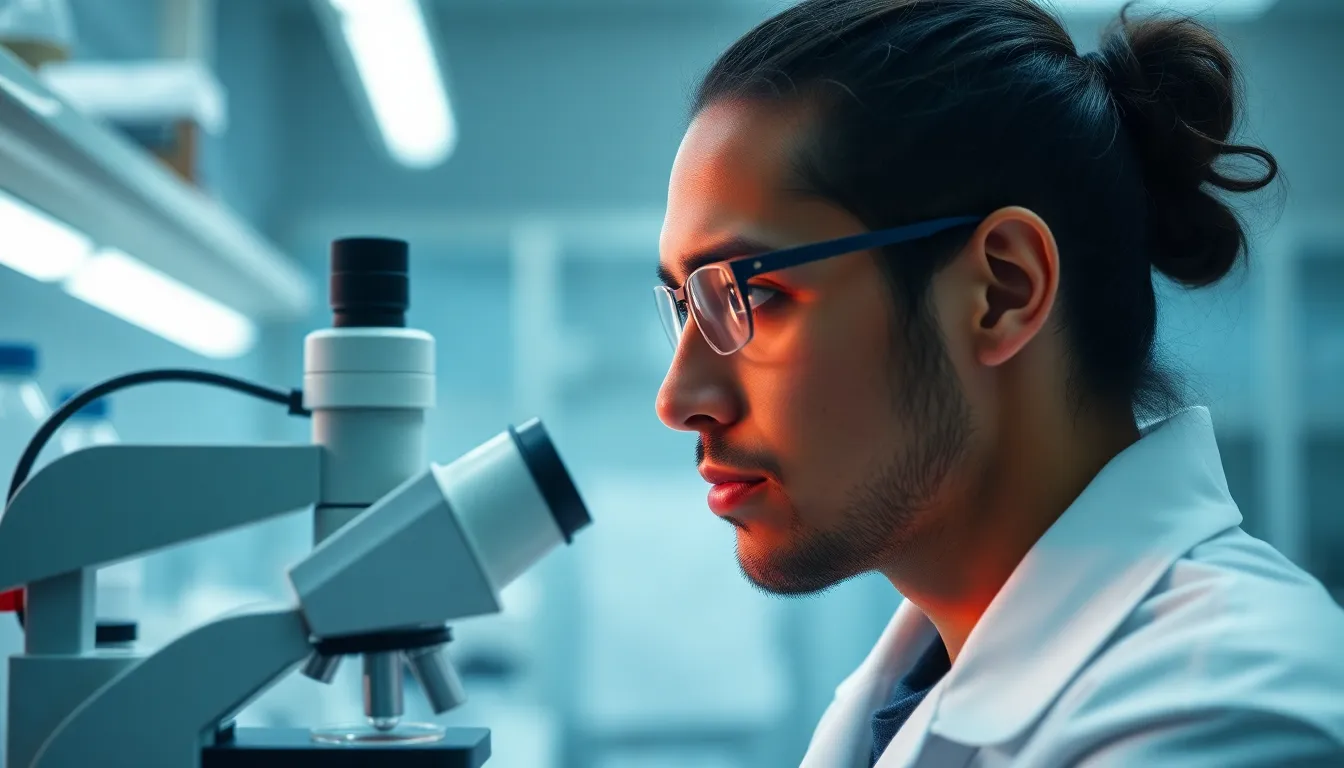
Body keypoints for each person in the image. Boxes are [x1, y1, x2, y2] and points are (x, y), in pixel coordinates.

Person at [651, 0, 1344, 765]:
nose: (678, 399)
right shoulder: (904, 691)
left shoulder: (1230, 715)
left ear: (1002, 291)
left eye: (752, 295)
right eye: (686, 306)